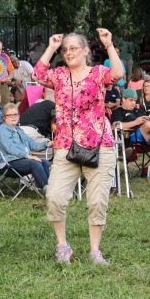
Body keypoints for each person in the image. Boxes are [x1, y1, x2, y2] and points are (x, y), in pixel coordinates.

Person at [33, 29, 124, 265]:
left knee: (97, 200)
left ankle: (95, 250)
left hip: (99, 144)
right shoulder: (60, 75)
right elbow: (37, 73)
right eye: (66, 49)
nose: (68, 52)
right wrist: (52, 47)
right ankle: (62, 246)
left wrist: (109, 45)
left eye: (73, 48)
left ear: (85, 50)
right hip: (65, 145)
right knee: (54, 196)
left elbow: (118, 73)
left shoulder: (97, 73)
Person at [0, 103, 51, 190]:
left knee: (44, 162)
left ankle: (48, 187)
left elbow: (32, 144)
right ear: (4, 118)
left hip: (21, 159)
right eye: (10, 115)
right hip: (7, 161)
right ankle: (47, 190)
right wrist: (28, 156)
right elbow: (10, 148)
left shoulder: (19, 130)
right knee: (34, 163)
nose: (13, 117)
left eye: (15, 114)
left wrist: (47, 143)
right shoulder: (2, 130)